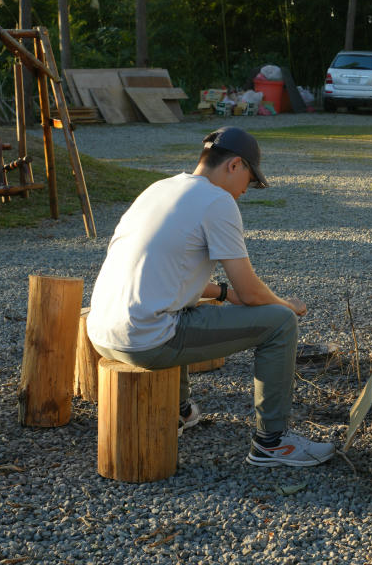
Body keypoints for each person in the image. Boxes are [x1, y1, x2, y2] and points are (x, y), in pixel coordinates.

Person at [86, 126, 334, 467]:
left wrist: (222, 293)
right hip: (144, 340)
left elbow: (167, 276)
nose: (247, 190)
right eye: (251, 178)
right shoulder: (217, 200)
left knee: (183, 307)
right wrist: (286, 305)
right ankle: (272, 443)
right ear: (234, 165)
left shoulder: (160, 189)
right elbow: (250, 291)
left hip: (101, 332)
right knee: (281, 323)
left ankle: (180, 411)